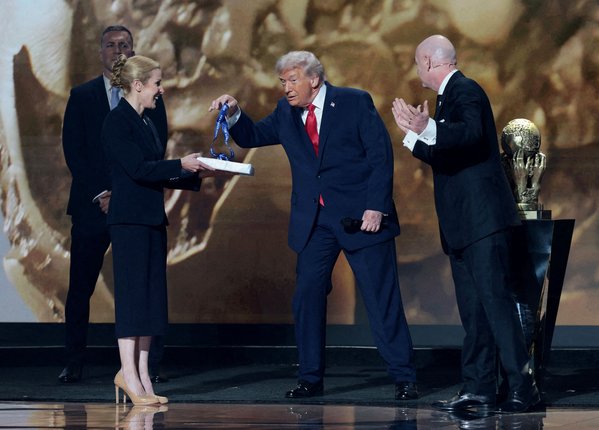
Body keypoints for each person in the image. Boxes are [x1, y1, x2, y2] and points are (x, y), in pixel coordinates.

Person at [209, 50, 418, 401]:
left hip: (361, 218)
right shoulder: (285, 113)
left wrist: (376, 207)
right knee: (306, 297)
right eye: (283, 82)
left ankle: (404, 376)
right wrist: (234, 113)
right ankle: (310, 378)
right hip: (315, 222)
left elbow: (381, 155)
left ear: (314, 79)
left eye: (293, 81)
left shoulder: (353, 102)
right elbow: (252, 137)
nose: (287, 88)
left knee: (381, 299)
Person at [391, 35, 540, 413]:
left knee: (496, 305)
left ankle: (523, 387)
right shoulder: (446, 98)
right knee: (474, 312)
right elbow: (448, 154)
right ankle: (478, 389)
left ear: (427, 61)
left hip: (483, 221)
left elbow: (471, 136)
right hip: (462, 225)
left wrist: (428, 128)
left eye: (415, 62)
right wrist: (414, 136)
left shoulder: (466, 90)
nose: (415, 70)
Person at [60, 25, 168, 383]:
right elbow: (75, 152)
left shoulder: (152, 98)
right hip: (94, 206)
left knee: (143, 285)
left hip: (135, 207)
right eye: (111, 45)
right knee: (81, 286)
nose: (118, 50)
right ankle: (74, 360)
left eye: (125, 45)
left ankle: (146, 366)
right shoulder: (83, 95)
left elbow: (156, 147)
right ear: (100, 50)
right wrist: (104, 193)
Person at [103, 53, 212, 405]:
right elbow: (138, 169)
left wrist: (196, 174)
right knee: (133, 299)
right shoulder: (116, 122)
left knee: (151, 300)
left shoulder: (147, 121)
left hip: (151, 218)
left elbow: (155, 170)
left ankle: (144, 376)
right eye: (156, 83)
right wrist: (180, 163)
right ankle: (128, 375)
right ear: (137, 85)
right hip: (129, 221)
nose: (160, 90)